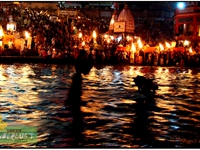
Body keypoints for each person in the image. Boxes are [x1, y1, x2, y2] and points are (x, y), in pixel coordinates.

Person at [65, 49, 93, 147]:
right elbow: (74, 90)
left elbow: (73, 90)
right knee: (77, 120)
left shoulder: (77, 76)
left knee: (76, 119)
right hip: (75, 101)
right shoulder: (77, 77)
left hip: (75, 100)